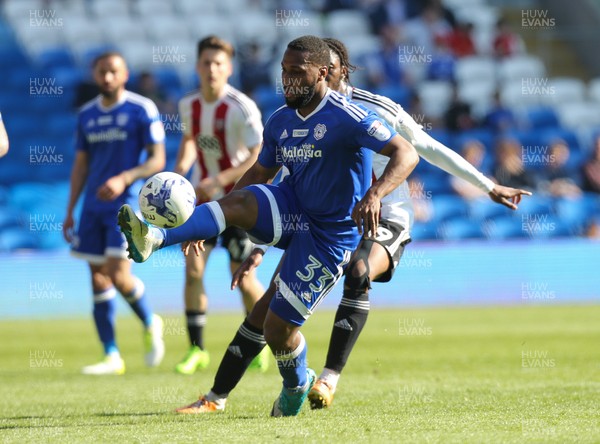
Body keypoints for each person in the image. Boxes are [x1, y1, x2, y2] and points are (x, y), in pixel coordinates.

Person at [118, 35, 420, 416]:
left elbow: (406, 153)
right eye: (284, 71)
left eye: (297, 72)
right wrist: (203, 224)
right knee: (242, 198)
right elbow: (260, 173)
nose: (287, 80)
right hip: (292, 208)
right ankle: (156, 235)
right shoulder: (280, 120)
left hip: (329, 236)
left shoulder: (348, 116)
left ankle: (297, 382)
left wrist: (375, 194)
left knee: (276, 329)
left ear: (323, 73)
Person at [233, 37, 533, 410]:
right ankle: (222, 394)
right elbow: (285, 181)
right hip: (324, 219)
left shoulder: (375, 108)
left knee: (359, 271)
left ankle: (328, 378)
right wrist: (261, 247)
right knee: (267, 308)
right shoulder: (299, 114)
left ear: (337, 68)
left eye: (327, 65)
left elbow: (427, 148)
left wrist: (487, 186)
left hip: (386, 213)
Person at [62, 52, 166, 375]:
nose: (107, 77)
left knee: (119, 275)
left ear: (125, 74)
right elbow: (81, 165)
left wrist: (125, 177)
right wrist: (70, 210)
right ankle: (112, 355)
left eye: (113, 71)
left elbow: (157, 160)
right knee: (96, 277)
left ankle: (151, 321)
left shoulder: (141, 109)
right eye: (102, 72)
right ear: (94, 75)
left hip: (127, 206)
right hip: (92, 208)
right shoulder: (86, 115)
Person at [173, 36, 268, 375]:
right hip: (201, 202)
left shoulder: (241, 107)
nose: (212, 69)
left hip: (239, 203)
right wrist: (179, 173)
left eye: (218, 63)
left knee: (242, 278)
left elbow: (260, 156)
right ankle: (196, 349)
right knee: (193, 271)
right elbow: (189, 142)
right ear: (198, 66)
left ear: (228, 68)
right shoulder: (189, 106)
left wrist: (221, 178)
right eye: (206, 63)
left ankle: (259, 340)